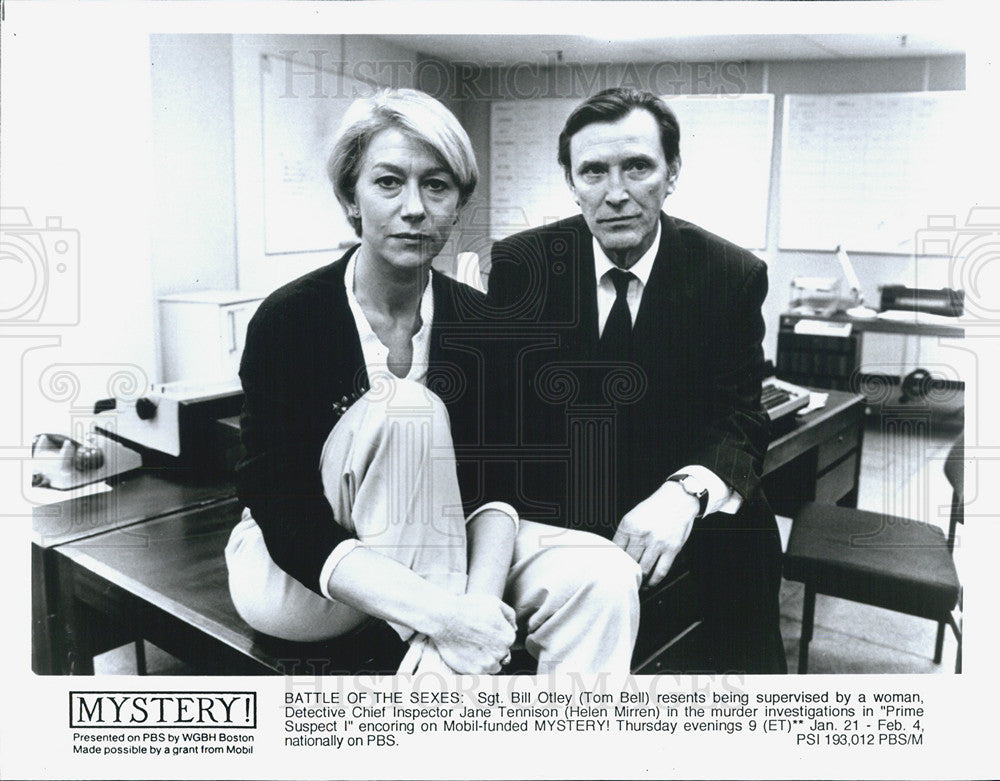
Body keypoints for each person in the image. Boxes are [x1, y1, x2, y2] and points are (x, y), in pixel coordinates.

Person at [226, 88, 641, 675]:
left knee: (605, 575)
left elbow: (498, 490)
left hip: (444, 544)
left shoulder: (484, 321)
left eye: (437, 186)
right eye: (389, 182)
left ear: (457, 204)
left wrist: (475, 604)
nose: (414, 207)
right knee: (404, 406)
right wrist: (445, 620)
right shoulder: (290, 318)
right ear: (351, 197)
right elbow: (282, 509)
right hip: (308, 574)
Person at [488, 87, 787, 674]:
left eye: (638, 168)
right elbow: (505, 420)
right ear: (571, 182)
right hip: (567, 506)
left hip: (679, 502)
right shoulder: (523, 265)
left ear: (672, 173)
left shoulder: (729, 275)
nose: (616, 193)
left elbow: (742, 418)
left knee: (747, 551)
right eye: (593, 172)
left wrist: (686, 493)